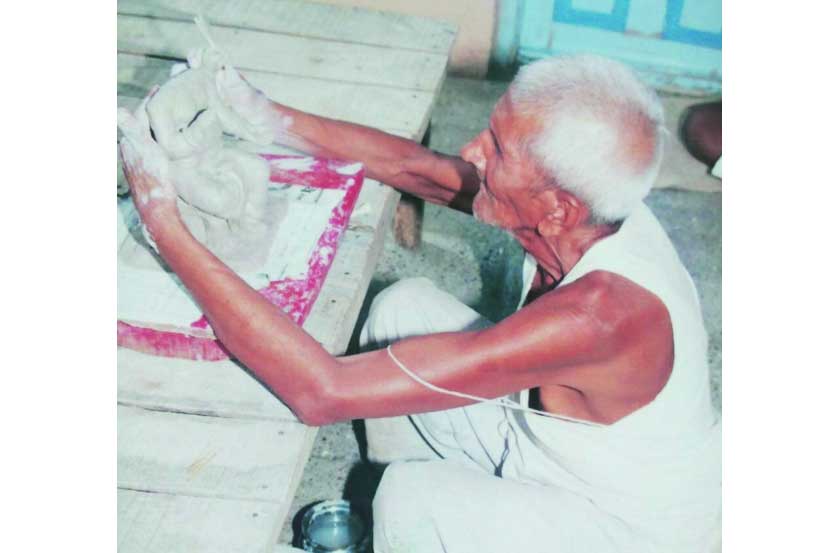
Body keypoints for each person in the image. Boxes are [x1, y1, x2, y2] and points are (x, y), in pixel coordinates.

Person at [118, 54, 721, 553]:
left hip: (624, 525)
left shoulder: (599, 315)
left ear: (557, 207)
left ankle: (418, 521)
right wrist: (263, 115)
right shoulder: (585, 208)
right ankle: (412, 529)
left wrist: (163, 222)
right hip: (553, 448)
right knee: (400, 309)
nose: (473, 150)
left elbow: (321, 392)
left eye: (499, 149)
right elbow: (419, 170)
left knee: (409, 498)